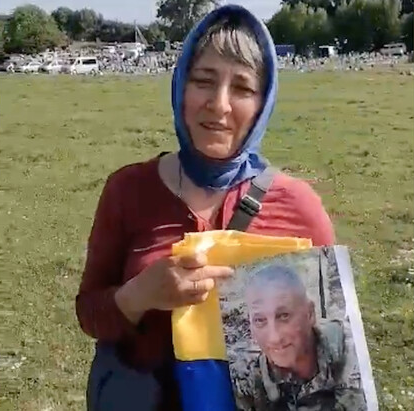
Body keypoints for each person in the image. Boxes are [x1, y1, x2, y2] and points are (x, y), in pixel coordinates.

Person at [75, 5, 335, 411]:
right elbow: (90, 313)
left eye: (243, 89)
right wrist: (138, 294)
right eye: (203, 81)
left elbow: (333, 344)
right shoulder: (127, 190)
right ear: (180, 86)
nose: (220, 104)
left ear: (263, 103)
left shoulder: (301, 209)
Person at [230, 264, 366, 410]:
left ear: (310, 314)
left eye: (284, 316)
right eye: (260, 320)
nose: (274, 338)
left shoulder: (353, 350)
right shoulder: (247, 379)